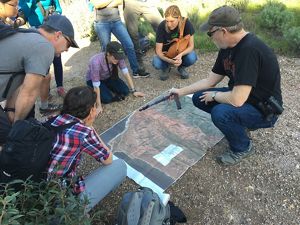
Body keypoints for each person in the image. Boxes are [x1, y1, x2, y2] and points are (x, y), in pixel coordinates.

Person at [170, 6, 283, 165]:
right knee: (198, 98)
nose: (210, 37)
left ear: (223, 31)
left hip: (263, 110)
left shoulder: (249, 50)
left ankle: (242, 147)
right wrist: (180, 91)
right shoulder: (227, 47)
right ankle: (237, 126)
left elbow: (237, 100)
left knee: (220, 112)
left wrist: (215, 96)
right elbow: (210, 81)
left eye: (211, 33)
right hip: (245, 98)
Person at [0, 14, 78, 144]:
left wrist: (10, 111)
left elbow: (19, 83)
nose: (67, 50)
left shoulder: (28, 33)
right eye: (68, 43)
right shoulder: (43, 46)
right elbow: (29, 93)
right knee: (10, 141)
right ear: (58, 35)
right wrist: (16, 127)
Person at [47, 86, 127, 212]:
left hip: (35, 186)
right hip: (58, 201)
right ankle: (77, 214)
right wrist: (90, 127)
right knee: (119, 166)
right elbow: (108, 159)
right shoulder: (83, 132)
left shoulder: (51, 120)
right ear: (90, 111)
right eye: (94, 107)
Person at [19, 0, 67, 99]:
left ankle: (60, 87)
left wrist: (55, 13)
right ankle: (46, 92)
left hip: (52, 31)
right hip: (37, 34)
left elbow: (58, 8)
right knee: (43, 65)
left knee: (57, 60)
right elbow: (24, 14)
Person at [90, 0, 150, 78]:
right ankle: (108, 75)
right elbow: (97, 4)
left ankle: (136, 71)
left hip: (116, 22)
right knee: (106, 49)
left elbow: (120, 1)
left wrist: (103, 4)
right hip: (102, 23)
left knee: (129, 45)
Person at [86, 41, 145, 114]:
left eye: (119, 57)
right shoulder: (95, 62)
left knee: (125, 91)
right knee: (107, 99)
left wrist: (134, 91)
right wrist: (99, 106)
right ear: (108, 54)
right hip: (94, 80)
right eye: (115, 57)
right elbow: (96, 86)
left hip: (108, 77)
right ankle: (104, 89)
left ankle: (106, 87)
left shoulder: (119, 57)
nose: (117, 60)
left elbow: (126, 73)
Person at [153, 5, 197, 81]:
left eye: (172, 21)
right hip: (166, 54)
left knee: (192, 57)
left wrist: (180, 55)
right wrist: (170, 61)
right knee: (156, 62)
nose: (169, 24)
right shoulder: (161, 27)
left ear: (179, 18)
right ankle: (166, 68)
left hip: (180, 52)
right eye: (167, 21)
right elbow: (158, 51)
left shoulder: (186, 24)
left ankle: (181, 67)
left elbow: (191, 46)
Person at [123, 0, 163, 71]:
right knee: (133, 33)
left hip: (147, 2)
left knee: (162, 26)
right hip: (131, 3)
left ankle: (167, 54)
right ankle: (138, 60)